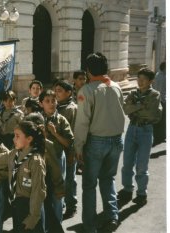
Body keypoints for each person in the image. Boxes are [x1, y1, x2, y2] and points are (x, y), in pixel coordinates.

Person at [74, 53, 125, 233]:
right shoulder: (117, 87)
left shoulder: (87, 91)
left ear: (88, 71)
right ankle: (112, 216)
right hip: (117, 140)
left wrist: (78, 147)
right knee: (108, 179)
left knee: (89, 185)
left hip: (96, 142)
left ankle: (89, 225)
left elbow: (82, 123)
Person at [117, 68, 162, 207]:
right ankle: (127, 189)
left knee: (142, 165)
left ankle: (142, 193)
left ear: (150, 81)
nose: (140, 82)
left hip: (145, 130)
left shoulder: (155, 95)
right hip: (132, 129)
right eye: (139, 79)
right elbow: (125, 109)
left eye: (144, 79)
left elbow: (151, 114)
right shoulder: (133, 93)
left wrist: (134, 108)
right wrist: (141, 105)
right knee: (127, 162)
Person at [24, 113, 65, 233]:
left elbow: (56, 169)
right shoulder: (25, 144)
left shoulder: (47, 144)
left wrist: (59, 186)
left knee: (47, 214)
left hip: (45, 186)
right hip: (29, 187)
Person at [39, 89, 74, 223]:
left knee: (57, 193)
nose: (51, 104)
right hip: (40, 161)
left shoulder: (61, 120)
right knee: (41, 193)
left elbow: (69, 142)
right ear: (41, 103)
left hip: (58, 159)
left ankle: (57, 225)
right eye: (47, 101)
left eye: (53, 101)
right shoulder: (36, 119)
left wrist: (55, 134)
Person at [53, 80, 78, 219]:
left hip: (68, 150)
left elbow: (74, 133)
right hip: (57, 151)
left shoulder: (71, 109)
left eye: (60, 91)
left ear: (69, 93)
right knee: (60, 179)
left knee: (69, 180)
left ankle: (71, 205)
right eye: (56, 90)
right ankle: (60, 204)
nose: (57, 93)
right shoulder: (57, 106)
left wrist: (72, 153)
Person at [152, 61, 166, 146]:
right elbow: (161, 91)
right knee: (162, 120)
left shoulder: (157, 75)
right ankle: (160, 137)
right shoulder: (162, 77)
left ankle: (159, 136)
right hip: (162, 100)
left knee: (158, 120)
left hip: (157, 100)